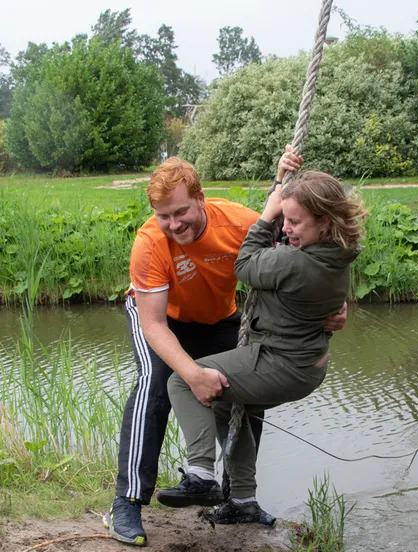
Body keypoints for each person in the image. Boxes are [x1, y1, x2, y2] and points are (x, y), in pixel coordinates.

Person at [104, 154, 348, 546]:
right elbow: (153, 325)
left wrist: (335, 308)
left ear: (201, 198)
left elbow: (307, 261)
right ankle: (127, 502)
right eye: (164, 215)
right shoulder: (151, 243)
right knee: (155, 384)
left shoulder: (238, 222)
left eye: (181, 211)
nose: (174, 223)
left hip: (220, 317)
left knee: (246, 390)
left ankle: (240, 500)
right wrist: (191, 373)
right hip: (165, 319)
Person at [154, 153, 366, 522]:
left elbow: (245, 265)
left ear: (324, 222)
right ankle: (243, 500)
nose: (287, 229)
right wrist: (282, 181)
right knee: (222, 402)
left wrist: (267, 216)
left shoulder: (293, 262)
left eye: (295, 222)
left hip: (279, 363)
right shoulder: (338, 257)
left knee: (187, 381)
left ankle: (201, 474)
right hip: (306, 365)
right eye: (285, 220)